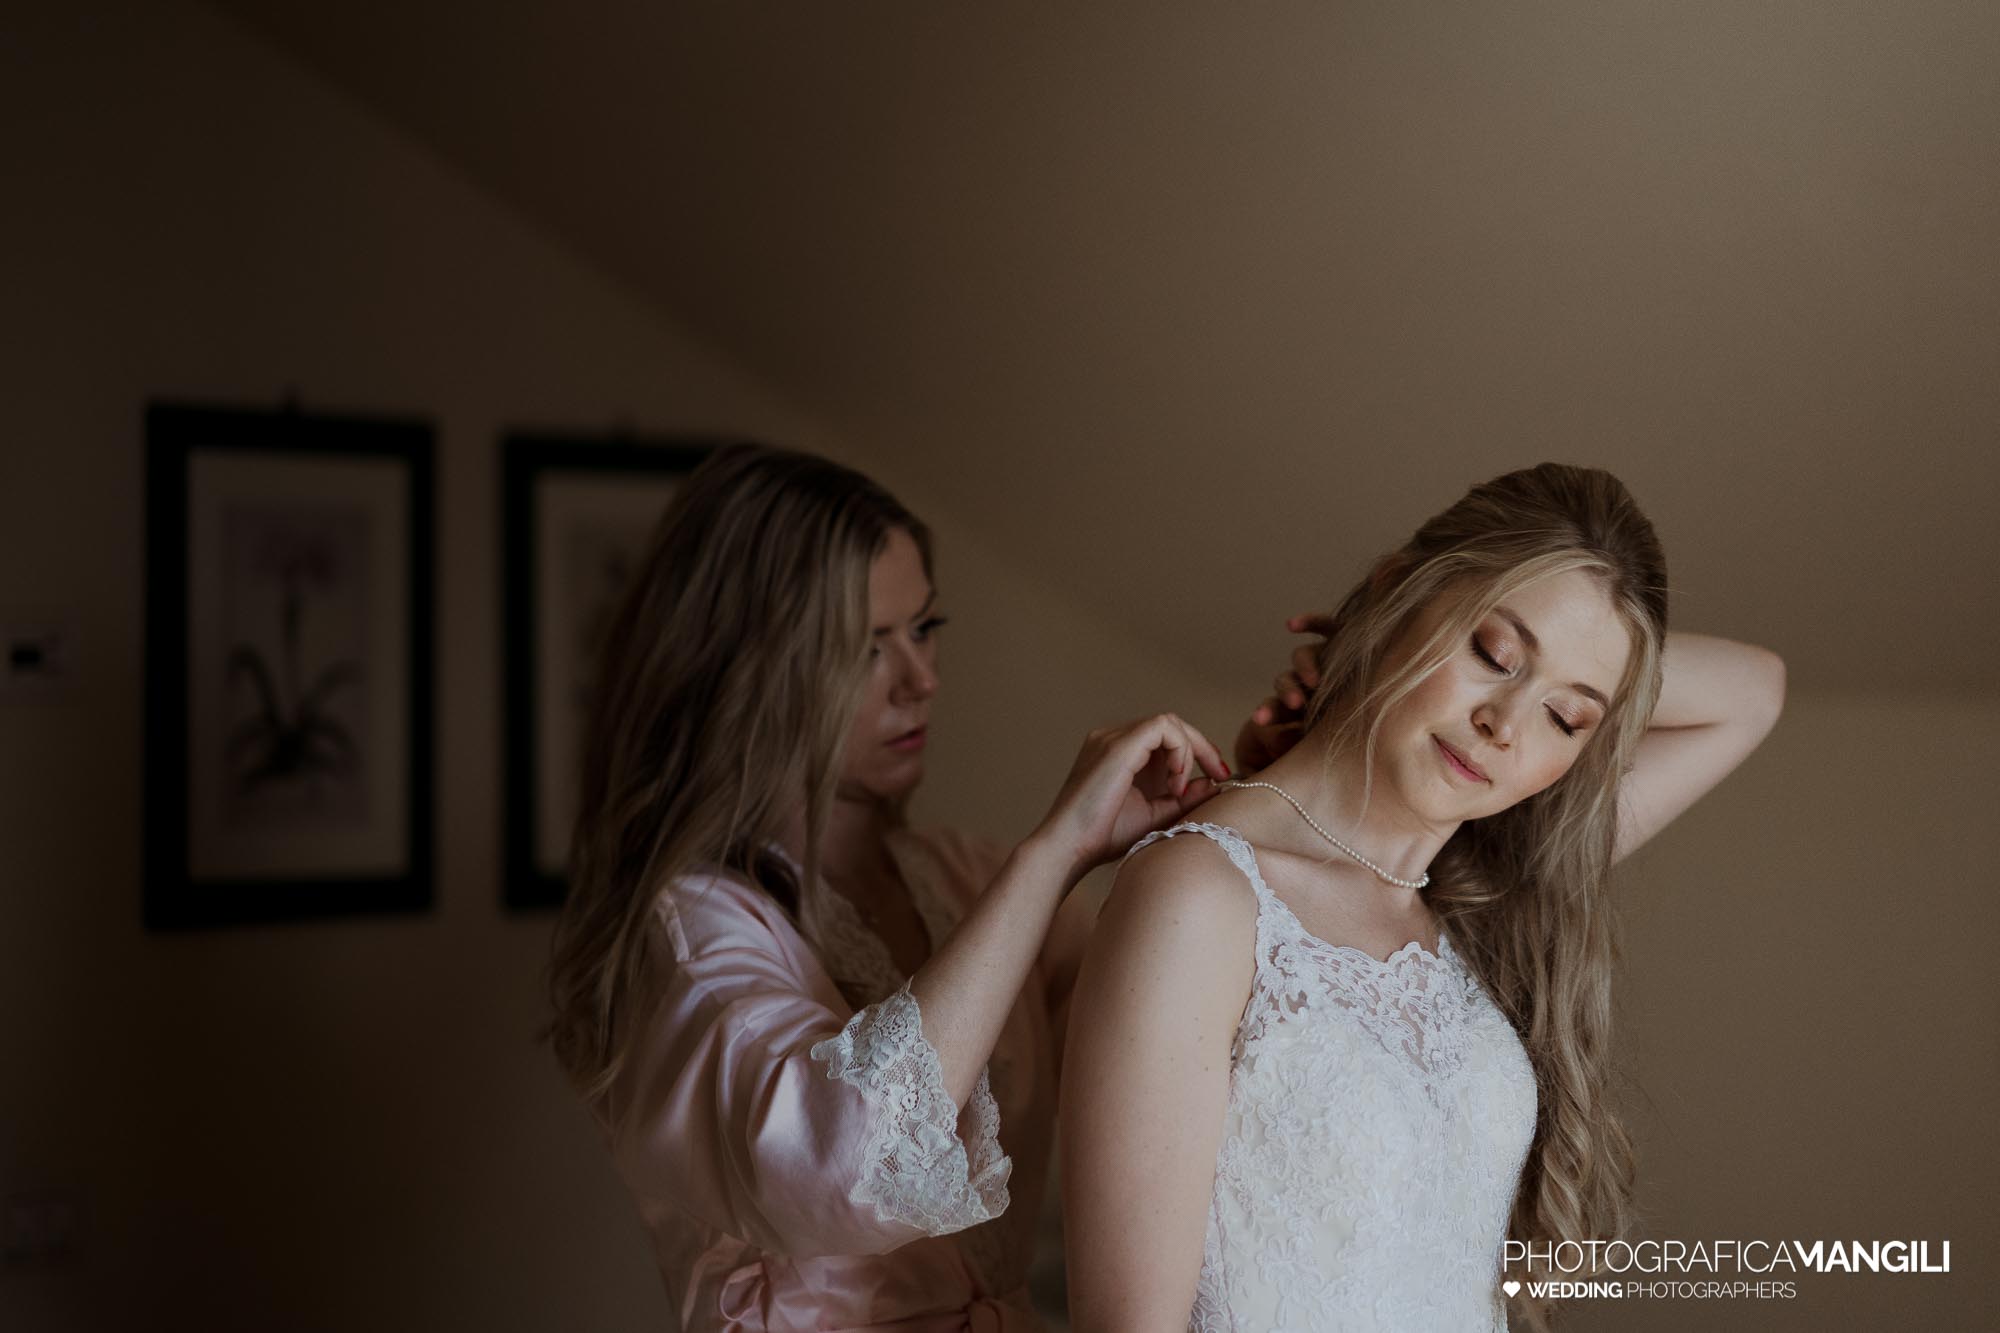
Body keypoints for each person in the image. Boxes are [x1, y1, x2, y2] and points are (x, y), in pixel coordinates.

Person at [1059, 463, 1787, 1333]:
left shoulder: (1483, 900)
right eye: (1493, 653)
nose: (1506, 725)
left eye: (1568, 717)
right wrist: (1381, 637)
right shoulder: (1200, 894)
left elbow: (1755, 692)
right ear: (1399, 587)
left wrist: (1587, 658)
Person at [544, 443, 1246, 1332]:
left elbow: (1190, 1016)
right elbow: (838, 1159)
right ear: (747, 668)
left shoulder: (964, 878)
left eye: (923, 629)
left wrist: (1275, 779)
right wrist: (1055, 849)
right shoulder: (683, 931)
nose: (920, 679)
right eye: (864, 649)